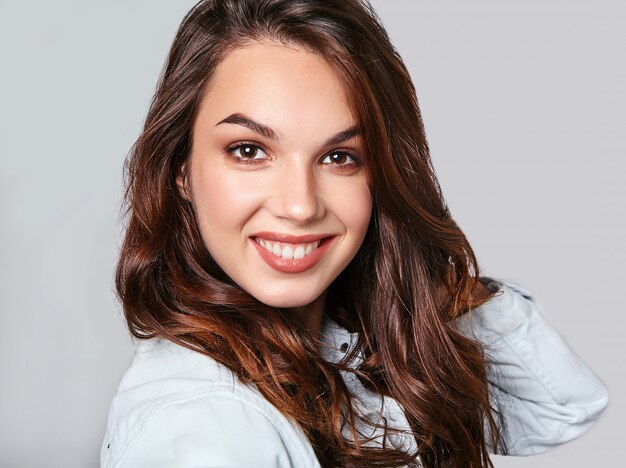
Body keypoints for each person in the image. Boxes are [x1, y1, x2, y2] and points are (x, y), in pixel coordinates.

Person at [100, 0, 609, 467]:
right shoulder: (204, 426)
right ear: (181, 171)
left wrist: (424, 278)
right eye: (249, 151)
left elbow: (561, 408)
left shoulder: (348, 345)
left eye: (339, 157)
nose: (300, 206)